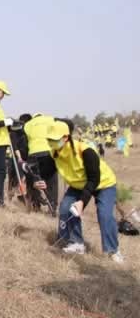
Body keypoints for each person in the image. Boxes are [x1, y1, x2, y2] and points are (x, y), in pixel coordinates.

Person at [47, 121, 124, 263]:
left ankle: (113, 251)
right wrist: (37, 180)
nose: (51, 142)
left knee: (105, 215)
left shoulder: (86, 151)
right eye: (49, 139)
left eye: (54, 139)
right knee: (66, 208)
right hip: (77, 185)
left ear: (65, 137)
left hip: (103, 183)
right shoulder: (54, 153)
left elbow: (93, 179)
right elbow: (47, 170)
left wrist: (82, 201)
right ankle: (76, 243)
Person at [23, 113, 58, 213]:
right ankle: (52, 206)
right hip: (48, 153)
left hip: (33, 154)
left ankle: (35, 205)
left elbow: (25, 143)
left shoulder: (28, 124)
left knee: (34, 180)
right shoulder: (50, 119)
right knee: (52, 180)